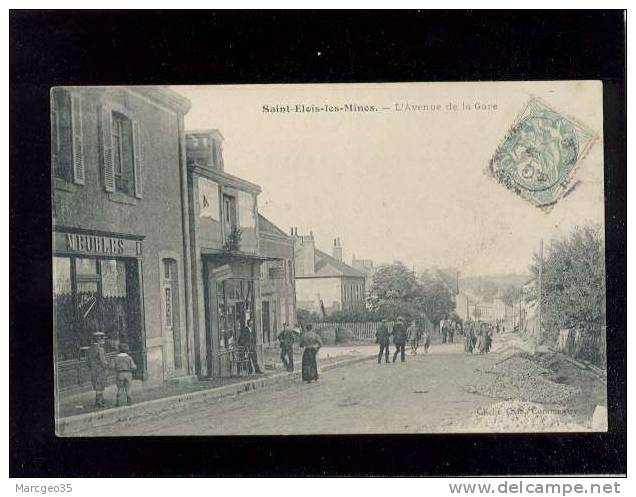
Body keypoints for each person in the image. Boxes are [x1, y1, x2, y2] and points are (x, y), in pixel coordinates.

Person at [87, 331, 109, 408]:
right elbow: (103, 361)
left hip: (93, 369)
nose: (103, 341)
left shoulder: (90, 349)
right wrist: (107, 366)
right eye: (102, 339)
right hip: (100, 369)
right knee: (100, 384)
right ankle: (99, 401)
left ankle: (100, 399)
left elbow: (88, 361)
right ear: (99, 339)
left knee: (96, 384)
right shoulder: (100, 349)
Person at [112, 342, 137, 407]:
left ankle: (118, 402)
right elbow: (133, 367)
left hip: (119, 374)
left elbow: (111, 366)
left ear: (119, 350)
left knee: (120, 388)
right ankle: (129, 401)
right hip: (128, 374)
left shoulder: (115, 358)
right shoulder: (129, 358)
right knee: (128, 388)